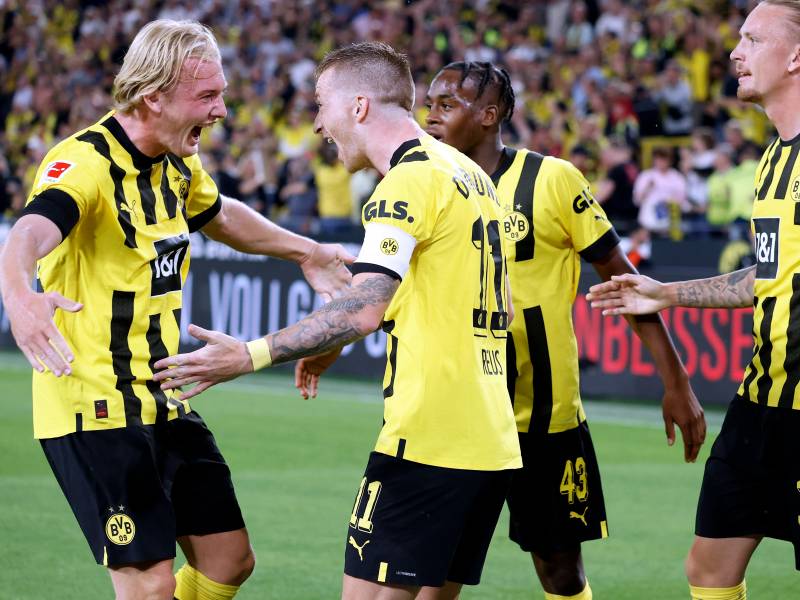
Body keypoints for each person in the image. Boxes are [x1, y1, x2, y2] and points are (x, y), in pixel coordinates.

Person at [152, 42, 522, 600]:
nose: (318, 124)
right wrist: (333, 341)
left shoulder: (406, 183)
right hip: (490, 442)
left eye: (322, 105)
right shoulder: (470, 175)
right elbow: (490, 303)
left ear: (359, 106)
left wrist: (249, 354)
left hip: (428, 441)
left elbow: (366, 308)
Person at [0, 20, 353, 600]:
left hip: (162, 392)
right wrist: (19, 297)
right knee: (150, 583)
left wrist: (306, 251)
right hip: (94, 404)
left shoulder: (177, 163)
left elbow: (222, 214)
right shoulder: (86, 164)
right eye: (207, 96)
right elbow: (28, 232)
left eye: (222, 94)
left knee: (229, 560)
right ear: (153, 96)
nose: (221, 111)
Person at [420, 61, 706, 600]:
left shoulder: (552, 180)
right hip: (457, 412)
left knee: (561, 571)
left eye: (446, 105)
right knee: (437, 572)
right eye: (429, 104)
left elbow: (624, 282)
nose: (430, 115)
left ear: (489, 115)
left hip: (545, 414)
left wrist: (676, 382)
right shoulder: (424, 184)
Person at [587, 3, 800, 597]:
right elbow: (771, 275)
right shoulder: (774, 159)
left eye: (752, 40)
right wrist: (666, 293)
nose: (735, 52)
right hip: (761, 402)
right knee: (708, 567)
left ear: (795, 57)